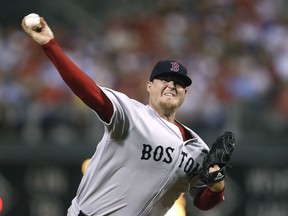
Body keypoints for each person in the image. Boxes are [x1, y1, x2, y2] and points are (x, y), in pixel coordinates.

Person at [22, 15, 229, 216]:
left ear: (185, 93)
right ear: (149, 86)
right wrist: (50, 45)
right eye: (164, 79)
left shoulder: (199, 149)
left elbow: (202, 202)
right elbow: (89, 92)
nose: (171, 85)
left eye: (179, 83)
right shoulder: (131, 115)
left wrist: (216, 185)